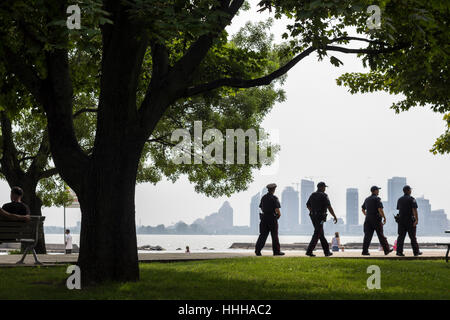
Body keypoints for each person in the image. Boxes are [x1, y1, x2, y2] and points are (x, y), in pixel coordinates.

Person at [305, 182, 337, 257]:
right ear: (321, 187)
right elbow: (329, 207)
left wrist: (312, 211)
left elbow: (307, 205)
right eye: (324, 187)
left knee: (320, 233)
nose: (325, 189)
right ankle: (309, 251)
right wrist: (334, 216)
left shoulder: (312, 195)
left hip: (313, 217)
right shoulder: (324, 195)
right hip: (321, 218)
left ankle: (326, 252)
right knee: (317, 233)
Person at [255, 183, 285, 256]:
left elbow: (261, 207)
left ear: (268, 189)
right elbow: (277, 209)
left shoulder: (263, 197)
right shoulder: (274, 198)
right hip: (272, 218)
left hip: (264, 218)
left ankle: (257, 250)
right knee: (274, 236)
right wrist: (277, 217)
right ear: (274, 189)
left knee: (262, 235)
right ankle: (276, 252)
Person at [361, 186, 392, 256]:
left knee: (367, 236)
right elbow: (380, 209)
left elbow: (362, 209)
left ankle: (364, 251)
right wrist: (384, 217)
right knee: (381, 235)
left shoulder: (367, 199)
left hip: (368, 220)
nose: (378, 191)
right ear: (375, 191)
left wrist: (367, 215)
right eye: (378, 190)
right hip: (376, 219)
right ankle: (387, 250)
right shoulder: (377, 199)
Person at [395, 185, 422, 257]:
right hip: (410, 221)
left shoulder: (399, 199)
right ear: (408, 190)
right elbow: (414, 210)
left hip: (401, 221)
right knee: (413, 237)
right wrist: (416, 220)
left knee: (401, 237)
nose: (411, 191)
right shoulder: (411, 199)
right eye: (410, 189)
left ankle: (399, 252)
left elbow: (399, 209)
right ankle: (416, 252)